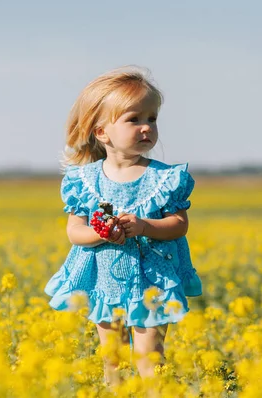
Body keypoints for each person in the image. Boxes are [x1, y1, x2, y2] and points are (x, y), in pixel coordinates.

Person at [44, 66, 202, 385]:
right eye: (134, 119)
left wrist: (144, 226)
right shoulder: (84, 181)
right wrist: (100, 233)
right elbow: (75, 231)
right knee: (112, 362)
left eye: (152, 119)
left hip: (153, 279)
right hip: (105, 280)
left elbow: (178, 225)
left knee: (150, 360)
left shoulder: (165, 179)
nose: (146, 128)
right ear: (102, 132)